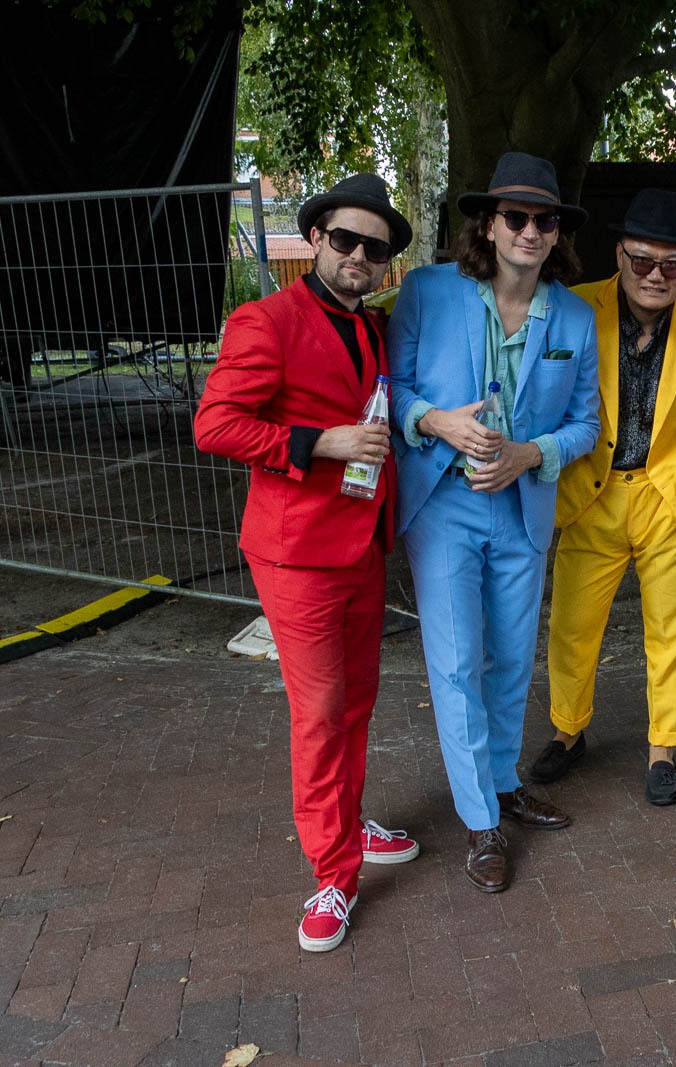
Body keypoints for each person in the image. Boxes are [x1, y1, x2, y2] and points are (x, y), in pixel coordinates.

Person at [195, 173, 420, 952]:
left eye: (376, 248)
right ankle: (334, 871)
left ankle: (348, 824)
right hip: (297, 554)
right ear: (317, 238)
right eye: (347, 239)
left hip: (362, 542)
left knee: (356, 702)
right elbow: (216, 424)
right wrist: (318, 442)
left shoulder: (373, 325)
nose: (360, 255)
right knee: (319, 713)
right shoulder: (265, 321)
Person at [387, 153, 600, 894]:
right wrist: (436, 420)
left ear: (557, 232)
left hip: (522, 505)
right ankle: (481, 820)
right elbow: (391, 387)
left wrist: (528, 454)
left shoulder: (574, 316)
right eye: (516, 217)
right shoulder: (427, 290)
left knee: (511, 660)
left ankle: (503, 781)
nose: (530, 231)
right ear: (488, 223)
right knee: (455, 663)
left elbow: (585, 424)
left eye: (545, 220)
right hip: (443, 505)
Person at [531, 189, 676, 805]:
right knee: (571, 627)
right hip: (590, 493)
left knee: (673, 630)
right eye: (643, 260)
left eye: (672, 265)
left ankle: (663, 749)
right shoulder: (574, 309)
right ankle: (568, 732)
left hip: (670, 495)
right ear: (620, 255)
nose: (656, 275)